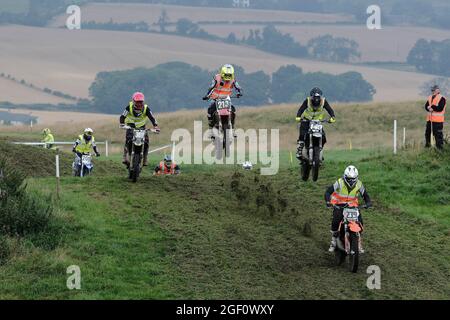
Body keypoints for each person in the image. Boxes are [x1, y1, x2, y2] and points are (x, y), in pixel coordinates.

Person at [324, 165, 372, 253]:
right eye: (349, 179)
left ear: (356, 178)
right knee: (336, 220)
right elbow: (328, 191)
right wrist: (328, 201)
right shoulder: (339, 182)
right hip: (339, 205)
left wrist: (368, 203)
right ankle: (333, 241)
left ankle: (358, 243)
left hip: (353, 207)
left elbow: (366, 195)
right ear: (345, 177)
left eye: (353, 179)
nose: (351, 181)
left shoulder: (359, 184)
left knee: (360, 221)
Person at [119, 92, 160, 166]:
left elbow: (152, 118)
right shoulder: (129, 107)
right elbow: (122, 116)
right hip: (130, 126)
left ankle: (145, 158)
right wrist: (122, 124)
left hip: (142, 127)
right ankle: (125, 156)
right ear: (134, 101)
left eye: (141, 102)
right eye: (137, 102)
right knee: (128, 139)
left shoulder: (146, 108)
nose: (139, 104)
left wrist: (155, 126)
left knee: (146, 141)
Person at [295, 87, 336, 160]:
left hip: (318, 122)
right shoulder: (307, 101)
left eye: (318, 97)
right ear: (311, 97)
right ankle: (299, 150)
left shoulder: (323, 101)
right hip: (306, 121)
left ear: (320, 96)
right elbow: (301, 109)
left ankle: (319, 152)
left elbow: (329, 109)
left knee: (323, 137)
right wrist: (298, 116)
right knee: (302, 135)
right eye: (314, 97)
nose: (316, 99)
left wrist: (332, 117)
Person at [202, 64, 243, 134]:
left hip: (226, 98)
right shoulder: (217, 78)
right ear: (222, 73)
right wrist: (207, 95)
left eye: (229, 75)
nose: (228, 77)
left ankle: (232, 129)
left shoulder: (233, 80)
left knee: (233, 109)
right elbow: (211, 87)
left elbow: (238, 87)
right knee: (210, 110)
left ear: (232, 74)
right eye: (226, 75)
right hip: (215, 98)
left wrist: (239, 92)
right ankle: (211, 129)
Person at [425, 85, 446, 149]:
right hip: (430, 120)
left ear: (438, 90)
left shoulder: (442, 98)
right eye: (432, 90)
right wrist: (428, 108)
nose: (433, 91)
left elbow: (440, 108)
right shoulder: (430, 97)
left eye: (434, 90)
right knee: (427, 134)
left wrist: (432, 107)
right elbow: (426, 105)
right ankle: (428, 147)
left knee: (438, 135)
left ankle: (440, 149)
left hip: (438, 121)